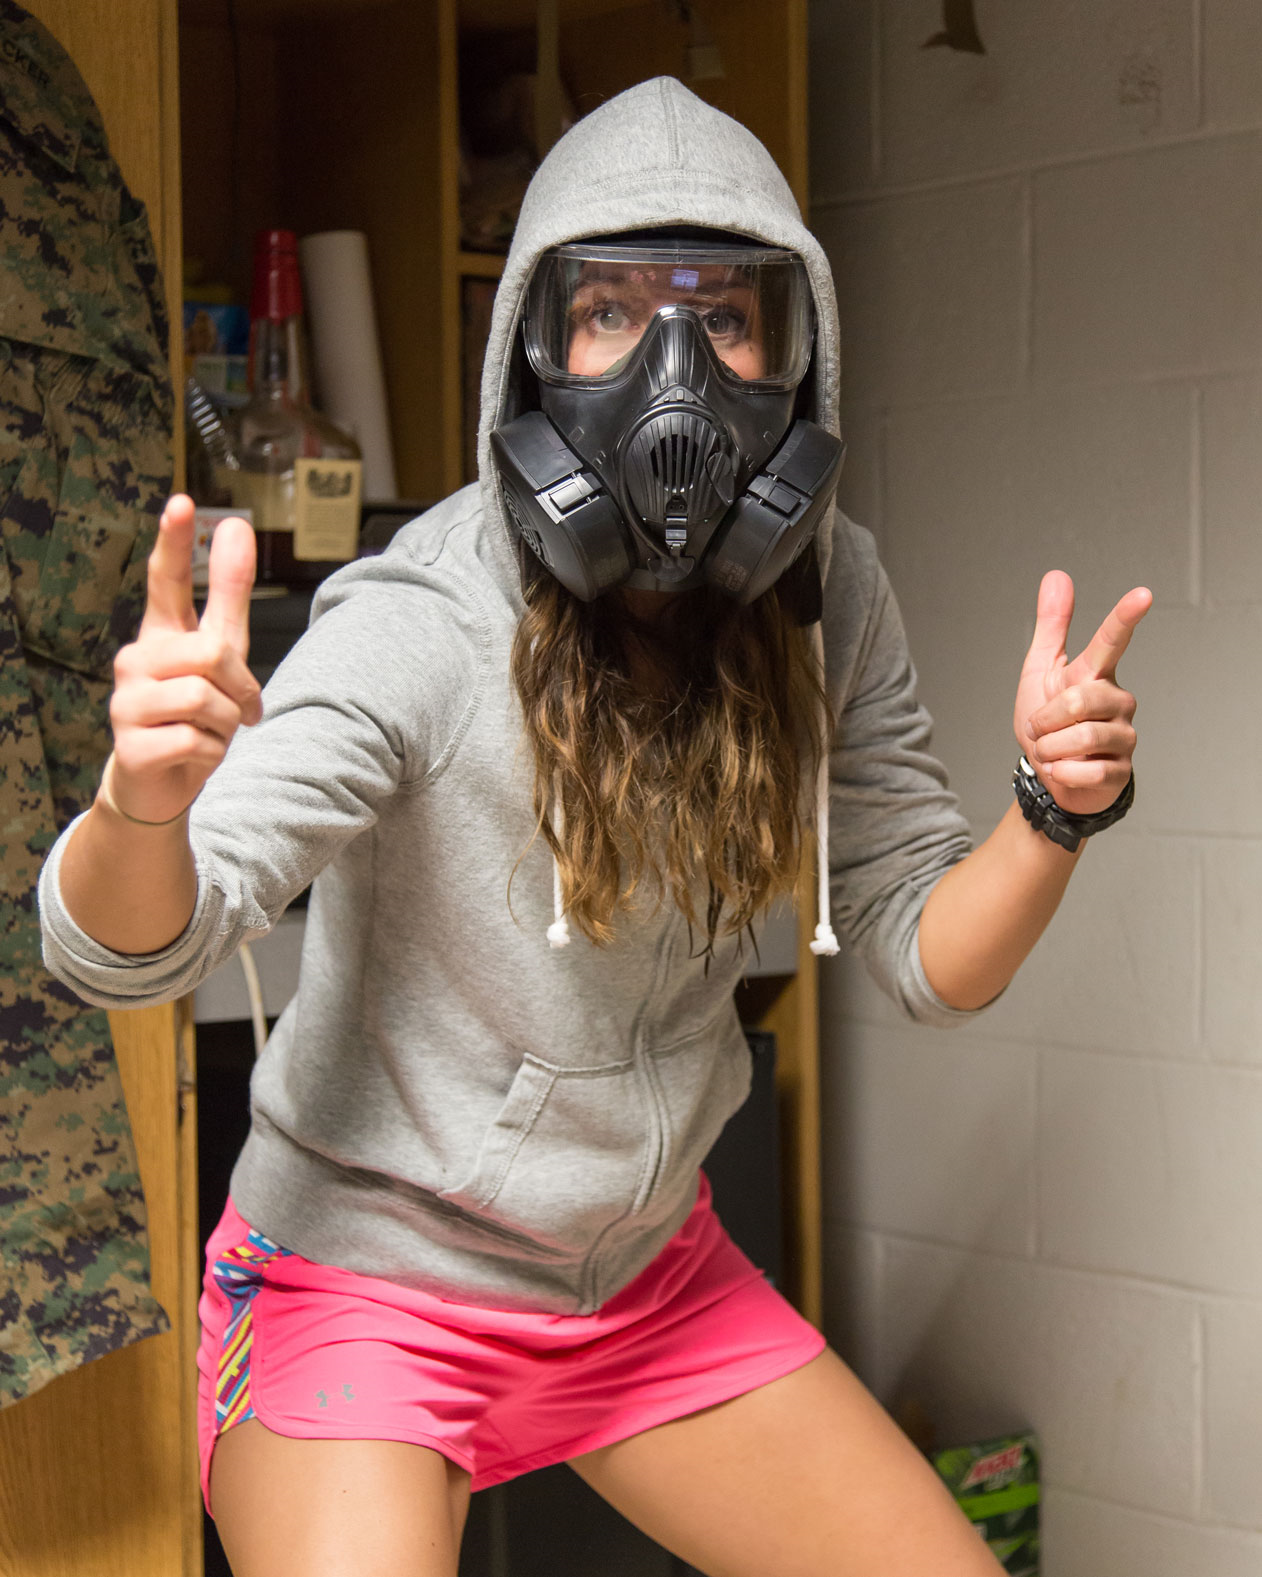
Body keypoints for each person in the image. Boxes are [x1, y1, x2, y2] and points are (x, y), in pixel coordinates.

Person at [39, 78, 1148, 1577]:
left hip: (637, 1281)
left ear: (797, 356)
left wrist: (1051, 812)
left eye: (727, 318)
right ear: (533, 350)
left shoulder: (825, 590)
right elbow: (132, 949)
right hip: (364, 1284)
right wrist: (143, 804)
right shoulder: (422, 620)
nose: (673, 371)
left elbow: (927, 957)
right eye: (612, 313)